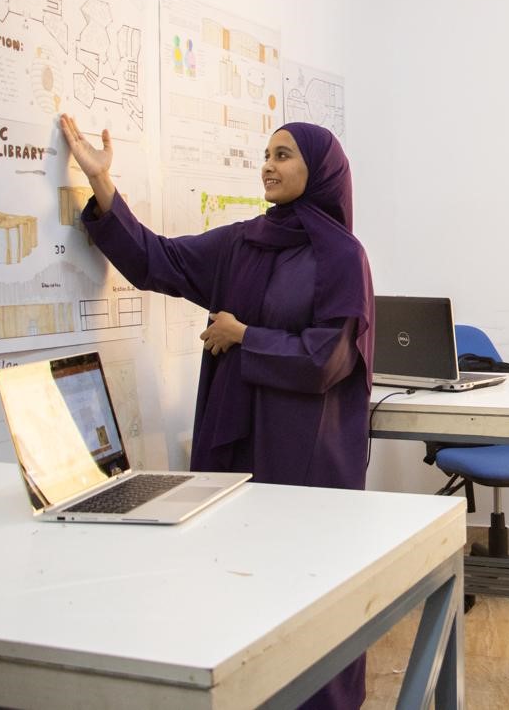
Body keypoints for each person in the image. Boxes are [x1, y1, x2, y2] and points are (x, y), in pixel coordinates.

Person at [59, 114, 374, 710]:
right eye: (267, 154)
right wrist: (103, 185)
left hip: (304, 453)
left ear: (320, 170)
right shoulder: (242, 242)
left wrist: (245, 335)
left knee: (306, 590)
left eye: (284, 155)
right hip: (234, 444)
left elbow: (328, 359)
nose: (268, 166)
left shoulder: (342, 256)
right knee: (232, 583)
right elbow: (157, 260)